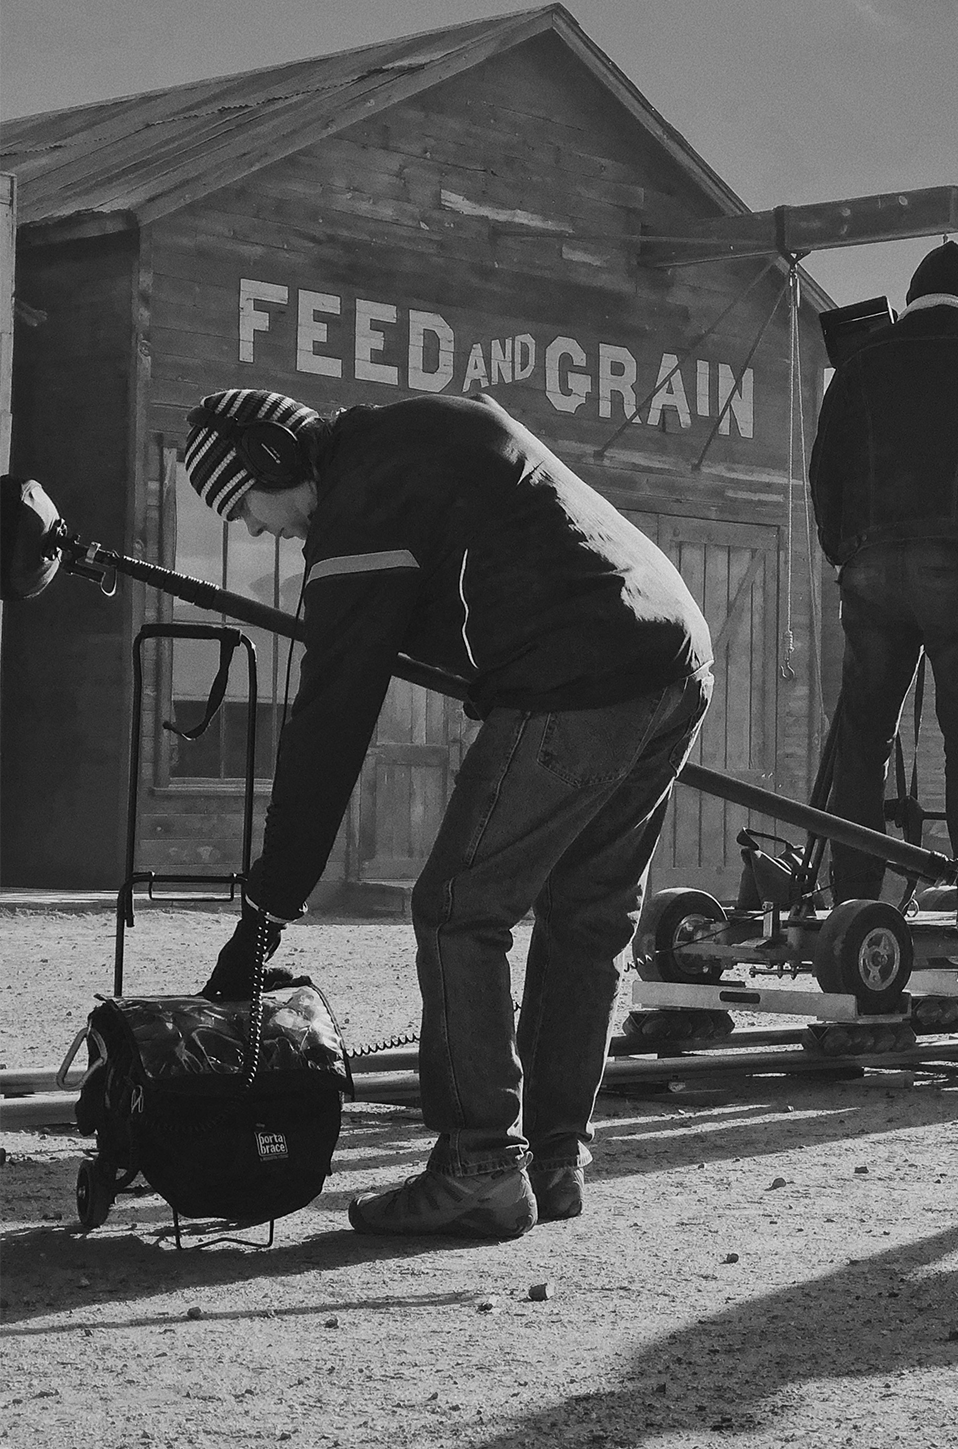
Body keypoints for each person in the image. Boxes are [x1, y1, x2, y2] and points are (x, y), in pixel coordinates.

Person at [187, 387, 713, 1239]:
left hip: (579, 671)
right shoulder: (414, 437)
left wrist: (266, 911)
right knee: (586, 918)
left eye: (243, 504)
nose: (253, 528)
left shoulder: (361, 508)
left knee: (457, 909)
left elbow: (331, 718)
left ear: (274, 459)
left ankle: (479, 1165)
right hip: (674, 648)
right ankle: (553, 1156)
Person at [808, 239, 958, 932]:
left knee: (863, 736)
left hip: (871, 565)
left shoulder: (861, 362)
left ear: (912, 292)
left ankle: (853, 892)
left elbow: (825, 469)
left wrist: (845, 552)